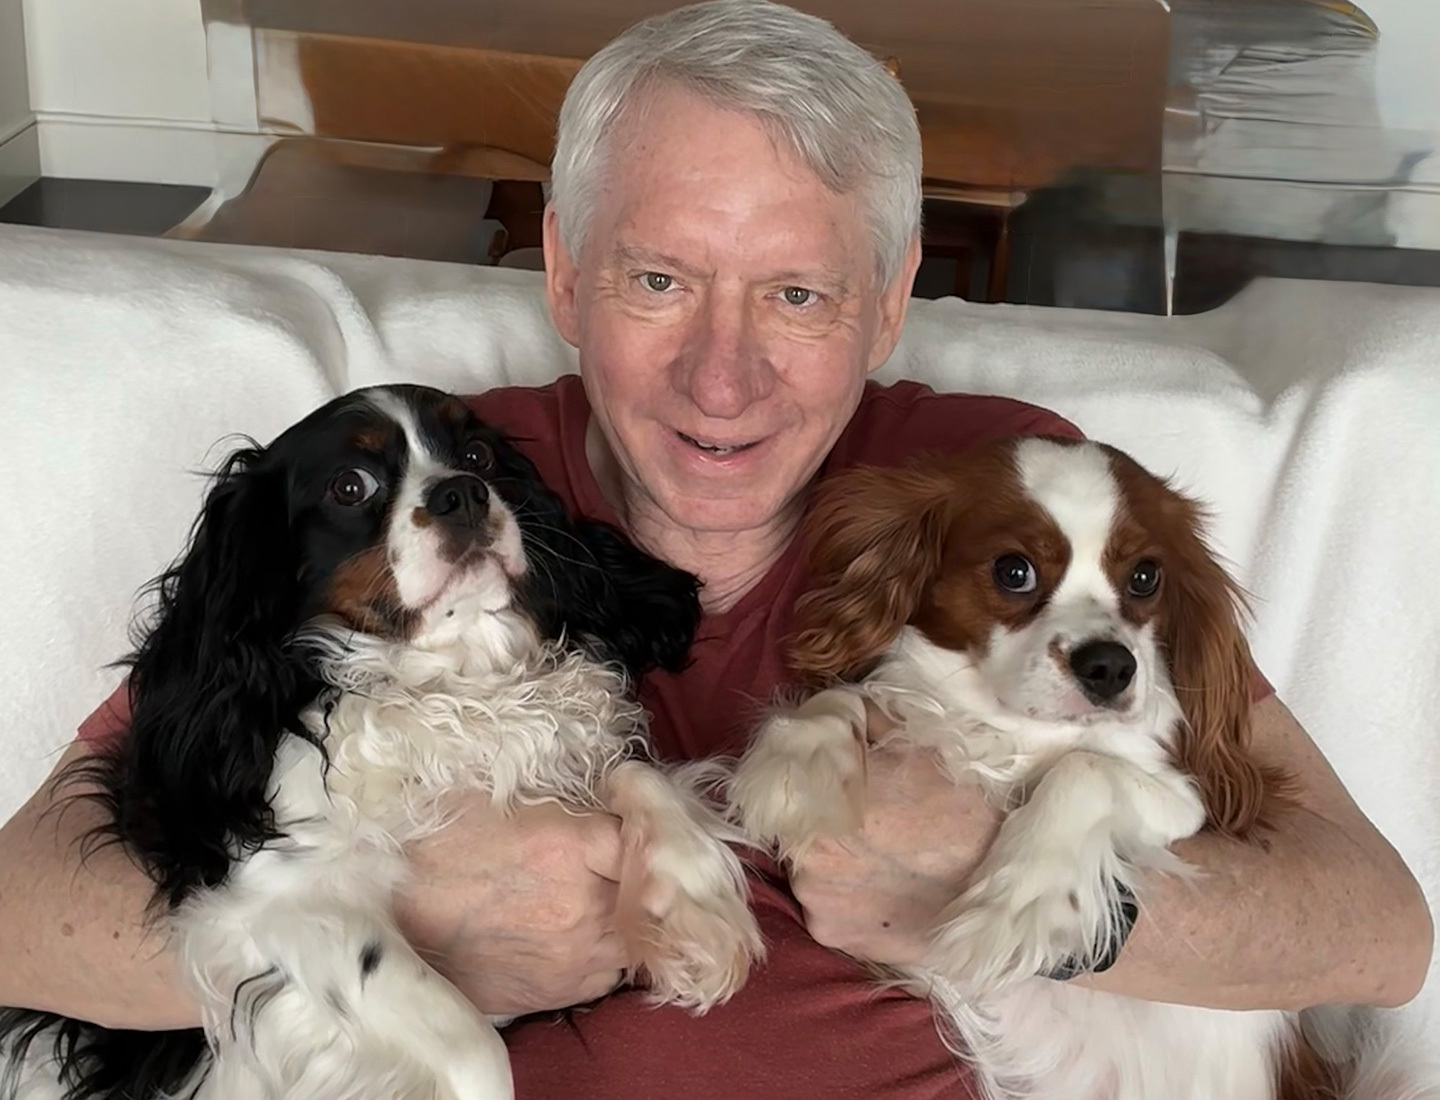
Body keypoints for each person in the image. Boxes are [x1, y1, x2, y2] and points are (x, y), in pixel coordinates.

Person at [0, 1, 1430, 1096]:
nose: (722, 378)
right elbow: (21, 914)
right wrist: (415, 923)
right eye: (660, 279)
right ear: (565, 273)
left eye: (798, 295)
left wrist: (1020, 893)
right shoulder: (436, 497)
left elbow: (1376, 930)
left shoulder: (1012, 497)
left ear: (890, 304)